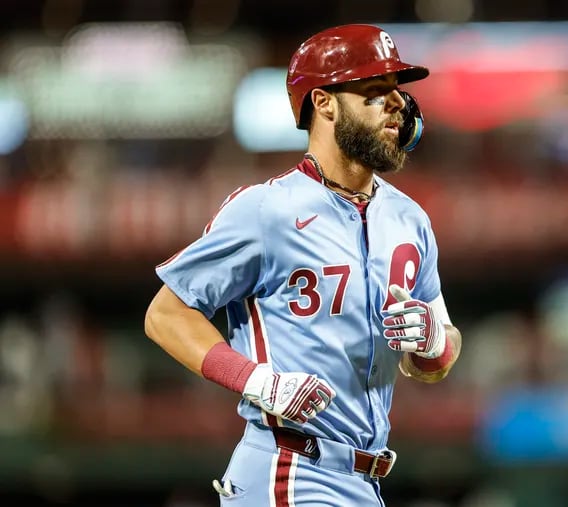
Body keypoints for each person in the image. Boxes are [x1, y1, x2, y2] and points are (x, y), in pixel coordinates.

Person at [144, 24, 462, 506]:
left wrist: (435, 343)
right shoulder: (265, 210)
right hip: (290, 468)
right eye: (375, 91)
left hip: (365, 480)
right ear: (324, 102)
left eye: (397, 93)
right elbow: (165, 315)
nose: (397, 104)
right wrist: (257, 381)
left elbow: (438, 360)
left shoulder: (410, 219)